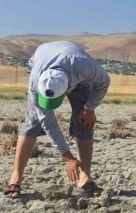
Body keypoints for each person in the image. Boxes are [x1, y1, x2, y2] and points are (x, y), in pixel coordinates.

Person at [3, 40, 111, 199]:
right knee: (33, 122)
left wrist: (90, 108)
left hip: (78, 78)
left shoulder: (82, 65)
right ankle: (16, 178)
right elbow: (48, 122)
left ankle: (85, 178)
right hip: (42, 58)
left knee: (85, 123)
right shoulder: (36, 83)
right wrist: (67, 157)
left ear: (67, 87)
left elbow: (104, 81)